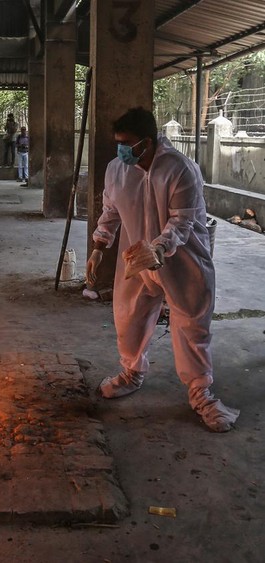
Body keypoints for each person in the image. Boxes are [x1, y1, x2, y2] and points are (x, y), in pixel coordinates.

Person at [85, 107, 239, 432]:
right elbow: (110, 212)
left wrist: (159, 247)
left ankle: (201, 395)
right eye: (118, 144)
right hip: (137, 261)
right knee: (128, 317)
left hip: (183, 261)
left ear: (148, 141)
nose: (121, 150)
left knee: (191, 326)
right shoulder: (116, 170)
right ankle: (131, 373)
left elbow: (182, 221)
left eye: (127, 144)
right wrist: (99, 248)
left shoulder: (180, 169)